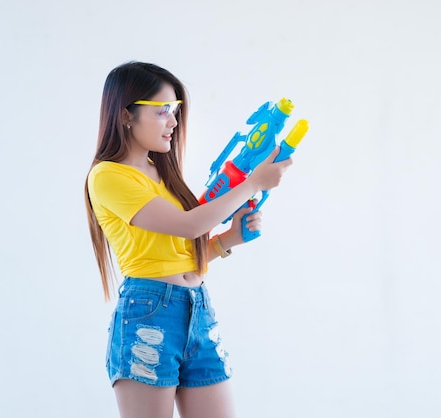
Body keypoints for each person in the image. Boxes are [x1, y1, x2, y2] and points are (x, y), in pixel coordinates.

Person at [84, 61, 291, 418]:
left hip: (198, 309)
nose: (174, 122)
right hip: (148, 313)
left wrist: (228, 239)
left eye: (176, 111)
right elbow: (188, 226)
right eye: (163, 111)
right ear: (125, 116)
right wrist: (252, 183)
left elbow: (181, 252)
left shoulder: (162, 173)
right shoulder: (107, 176)